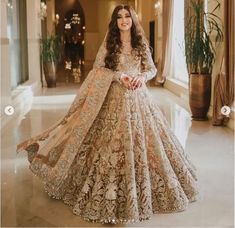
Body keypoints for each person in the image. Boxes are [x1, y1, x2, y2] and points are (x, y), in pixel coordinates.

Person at [16, 5, 199, 225]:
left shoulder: (141, 44)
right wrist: (119, 76)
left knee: (142, 143)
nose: (124, 20)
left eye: (127, 17)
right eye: (120, 17)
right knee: (108, 143)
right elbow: (98, 70)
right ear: (115, 22)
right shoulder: (110, 45)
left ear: (133, 20)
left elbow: (151, 69)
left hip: (138, 100)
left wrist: (141, 78)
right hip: (113, 99)